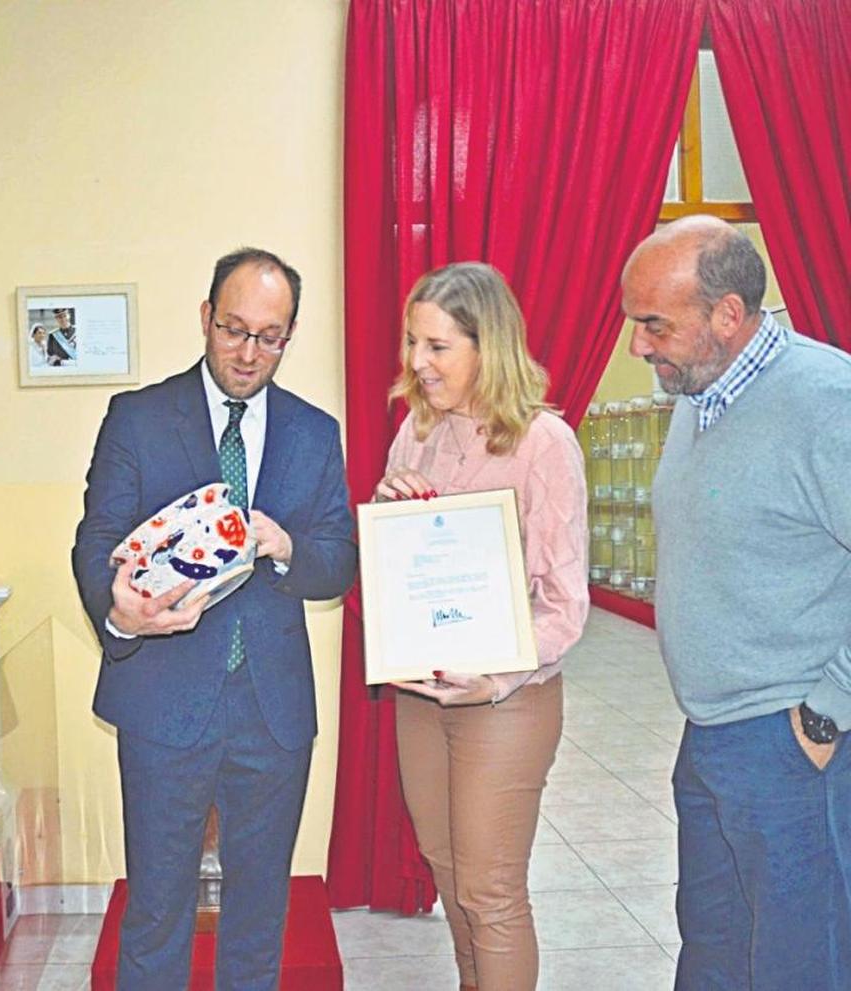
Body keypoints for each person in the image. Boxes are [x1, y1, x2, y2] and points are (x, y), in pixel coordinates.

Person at [72, 247, 356, 990]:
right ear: (205, 318)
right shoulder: (138, 417)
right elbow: (97, 539)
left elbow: (338, 557)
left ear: (288, 337)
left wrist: (289, 545)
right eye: (234, 330)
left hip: (272, 712)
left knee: (260, 917)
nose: (249, 352)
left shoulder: (314, 431)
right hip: (164, 705)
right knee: (157, 913)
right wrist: (120, 611)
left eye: (269, 337)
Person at [622, 216, 851, 989]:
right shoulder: (701, 392)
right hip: (712, 736)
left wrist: (825, 712)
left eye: (653, 324)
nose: (637, 346)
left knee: (799, 960)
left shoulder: (826, 401)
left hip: (793, 744)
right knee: (716, 950)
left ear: (726, 314)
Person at [374, 262, 588, 991]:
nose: (416, 362)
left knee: (490, 891)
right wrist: (390, 508)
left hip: (507, 700)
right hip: (423, 693)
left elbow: (565, 602)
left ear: (485, 346)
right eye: (412, 343)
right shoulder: (415, 432)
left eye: (437, 346)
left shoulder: (543, 443)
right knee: (447, 869)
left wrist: (496, 677)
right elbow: (404, 569)